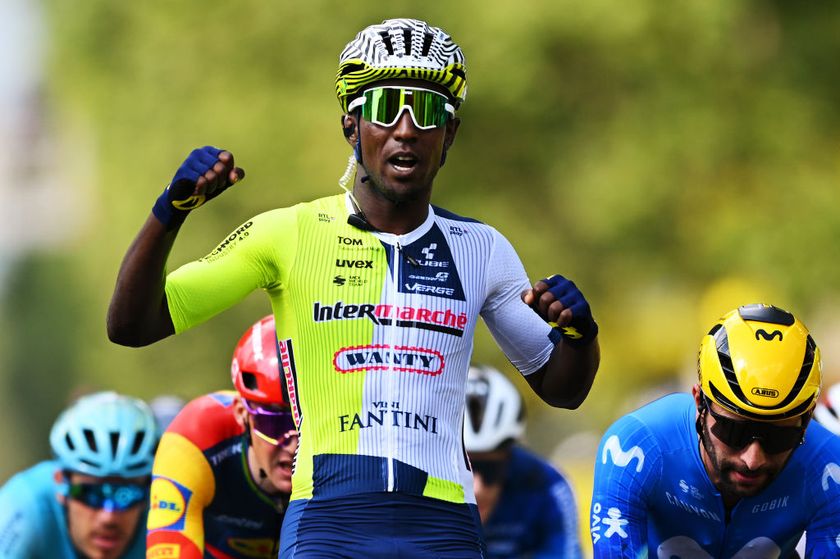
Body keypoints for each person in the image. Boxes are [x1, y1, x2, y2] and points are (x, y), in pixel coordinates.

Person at [107, 18, 600, 558]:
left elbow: (562, 388)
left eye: (429, 111)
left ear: (449, 135)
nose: (406, 129)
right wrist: (168, 214)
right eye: (386, 108)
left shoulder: (481, 248)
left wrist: (578, 334)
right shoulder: (288, 233)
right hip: (328, 525)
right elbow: (132, 325)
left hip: (445, 529)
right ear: (351, 126)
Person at [590, 303, 840, 558]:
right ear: (699, 403)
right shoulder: (636, 446)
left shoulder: (830, 465)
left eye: (779, 438)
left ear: (807, 420)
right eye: (733, 431)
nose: (752, 460)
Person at [146, 315, 297, 558]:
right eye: (274, 421)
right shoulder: (196, 437)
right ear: (242, 414)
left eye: (306, 423)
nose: (293, 444)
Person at [0, 391, 158, 559]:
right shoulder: (25, 507)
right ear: (61, 483)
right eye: (90, 494)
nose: (108, 517)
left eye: (126, 496)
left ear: (149, 492)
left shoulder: (162, 516)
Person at [464, 364, 583, 558]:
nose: (477, 487)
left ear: (509, 458)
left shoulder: (547, 485)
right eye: (463, 471)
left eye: (490, 470)